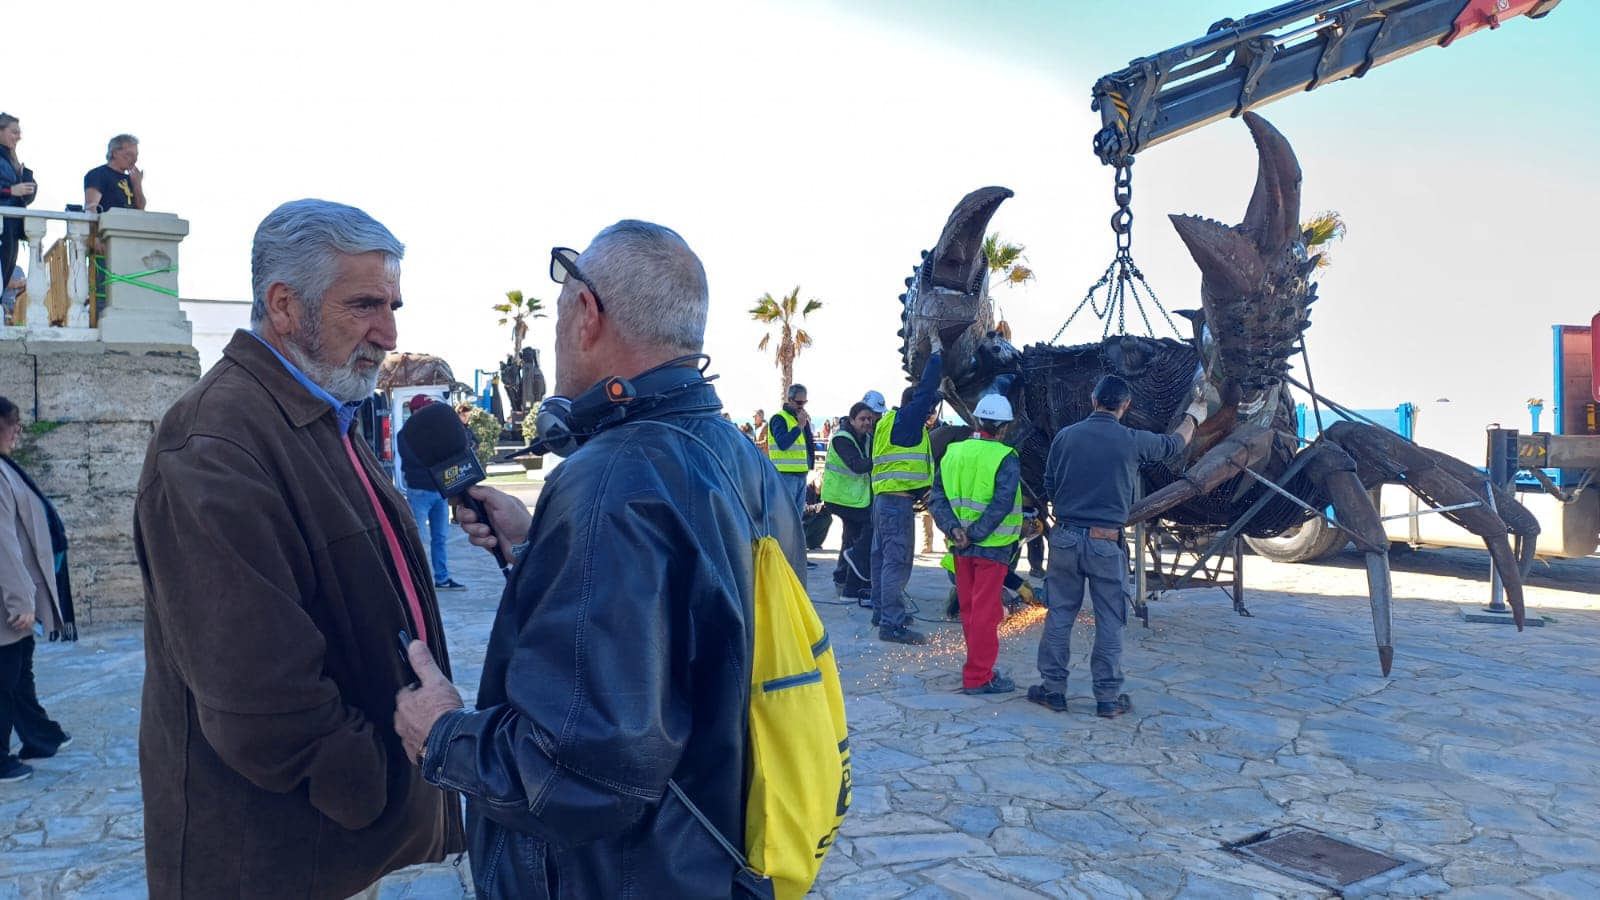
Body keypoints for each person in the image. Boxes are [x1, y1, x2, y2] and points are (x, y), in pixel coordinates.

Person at [392, 220, 804, 898]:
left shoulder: (610, 481)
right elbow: (691, 636)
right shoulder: (743, 458)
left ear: (586, 314)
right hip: (710, 861)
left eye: (557, 318)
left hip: (621, 877)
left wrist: (441, 735)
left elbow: (578, 774)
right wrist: (537, 546)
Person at [134, 200, 462, 898]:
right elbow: (258, 691)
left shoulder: (319, 412)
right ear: (285, 305)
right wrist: (370, 785)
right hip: (291, 857)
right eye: (366, 305)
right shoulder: (214, 440)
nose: (389, 331)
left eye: (394, 303)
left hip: (352, 847)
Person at [1030, 374, 1206, 718]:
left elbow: (1048, 486)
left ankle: (1053, 691)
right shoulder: (1130, 440)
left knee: (1060, 615)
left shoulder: (1065, 437)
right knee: (1109, 619)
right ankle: (1107, 699)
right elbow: (1174, 445)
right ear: (1125, 406)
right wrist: (1194, 416)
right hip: (1105, 543)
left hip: (1064, 538)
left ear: (1094, 401)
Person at [0, 396, 75, 785]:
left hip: (14, 596)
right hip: (8, 601)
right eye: (11, 424)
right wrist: (21, 601)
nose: (17, 432)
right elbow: (3, 543)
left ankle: (40, 736)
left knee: (18, 671)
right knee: (5, 678)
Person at [929, 394, 1022, 695]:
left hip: (960, 547)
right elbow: (1002, 503)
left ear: (977, 420)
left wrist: (956, 530)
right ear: (1004, 428)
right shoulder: (1005, 457)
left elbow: (937, 499)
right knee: (986, 612)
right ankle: (979, 676)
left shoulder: (952, 453)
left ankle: (977, 668)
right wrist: (978, 533)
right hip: (992, 547)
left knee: (970, 609)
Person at [870, 346, 943, 645]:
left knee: (881, 559)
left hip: (884, 501)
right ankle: (892, 623)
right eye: (927, 410)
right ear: (916, 408)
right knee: (897, 563)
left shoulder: (889, 422)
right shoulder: (908, 420)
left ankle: (881, 611)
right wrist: (936, 357)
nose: (929, 415)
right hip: (896, 505)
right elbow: (924, 392)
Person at [397, 394, 466, 592]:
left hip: (439, 492)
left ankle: (442, 578)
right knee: (417, 540)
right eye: (425, 409)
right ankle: (415, 580)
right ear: (416, 411)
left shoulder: (433, 433)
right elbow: (416, 461)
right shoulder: (405, 435)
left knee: (440, 537)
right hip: (420, 492)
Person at [824, 401, 877, 599]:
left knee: (851, 536)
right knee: (868, 527)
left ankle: (845, 582)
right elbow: (857, 465)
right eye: (863, 419)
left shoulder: (867, 437)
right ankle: (852, 577)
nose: (867, 423)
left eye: (870, 419)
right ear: (852, 420)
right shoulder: (842, 439)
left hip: (854, 497)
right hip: (840, 497)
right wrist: (883, 459)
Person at [0, 114, 37, 303]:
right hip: (3, 224)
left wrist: (27, 185)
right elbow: (8, 191)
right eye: (14, 132)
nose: (18, 137)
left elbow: (23, 196)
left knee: (4, 274)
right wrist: (9, 190)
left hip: (12, 227)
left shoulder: (11, 160)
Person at [767, 382, 814, 514]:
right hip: (785, 474)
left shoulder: (800, 419)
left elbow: (807, 445)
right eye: (799, 403)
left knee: (797, 517)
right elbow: (783, 443)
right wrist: (799, 426)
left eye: (804, 403)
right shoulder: (779, 418)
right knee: (785, 515)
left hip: (801, 474)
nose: (802, 407)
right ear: (789, 400)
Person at [83, 134, 146, 213]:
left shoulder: (132, 180)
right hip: (107, 224)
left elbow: (141, 209)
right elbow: (91, 208)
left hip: (130, 224)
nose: (134, 159)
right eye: (129, 155)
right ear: (115, 153)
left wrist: (137, 185)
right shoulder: (98, 174)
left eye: (136, 155)